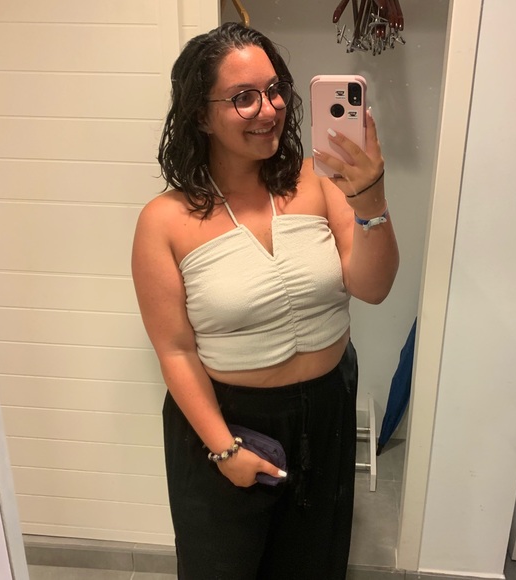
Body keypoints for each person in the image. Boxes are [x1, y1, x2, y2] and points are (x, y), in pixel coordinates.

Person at [131, 21, 399, 580]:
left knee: (314, 563)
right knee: (222, 567)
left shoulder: (318, 182)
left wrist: (370, 199)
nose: (269, 109)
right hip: (228, 420)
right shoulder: (164, 221)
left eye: (275, 90)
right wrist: (225, 451)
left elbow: (373, 288)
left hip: (326, 408)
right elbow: (176, 350)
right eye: (244, 97)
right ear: (200, 115)